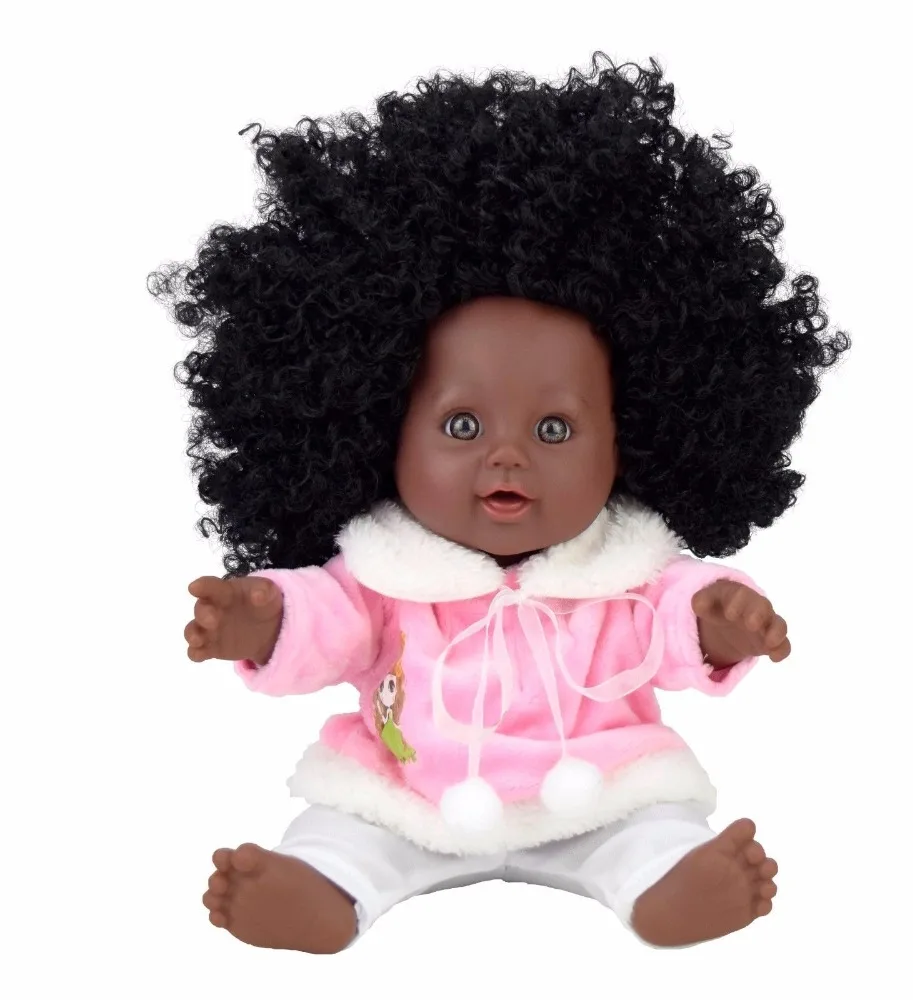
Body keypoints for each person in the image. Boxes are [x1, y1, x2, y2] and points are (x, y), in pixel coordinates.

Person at [149, 52, 849, 953]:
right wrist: (262, 619)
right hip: (409, 796)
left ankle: (671, 884)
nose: (507, 455)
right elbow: (325, 621)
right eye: (461, 425)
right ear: (381, 425)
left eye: (555, 429)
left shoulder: (624, 571)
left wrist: (720, 621)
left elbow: (675, 616)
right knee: (342, 828)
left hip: (601, 794)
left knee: (655, 829)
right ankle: (319, 889)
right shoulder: (382, 572)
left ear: (629, 438)